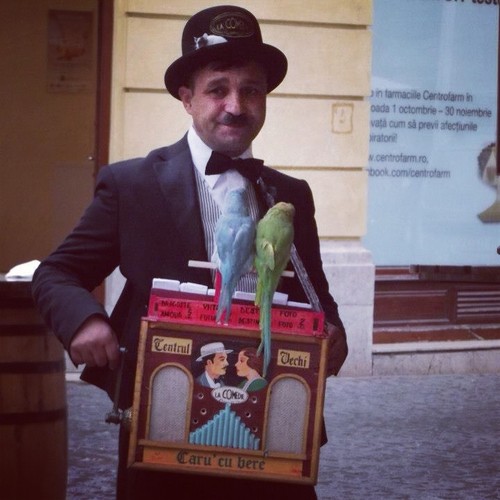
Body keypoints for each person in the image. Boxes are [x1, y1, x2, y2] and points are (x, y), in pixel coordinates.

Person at [32, 5, 348, 499]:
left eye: (251, 90)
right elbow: (57, 273)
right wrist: (84, 322)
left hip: (274, 431)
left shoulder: (291, 196)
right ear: (186, 98)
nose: (235, 106)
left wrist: (332, 332)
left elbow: (316, 297)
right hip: (164, 426)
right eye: (218, 89)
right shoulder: (132, 185)